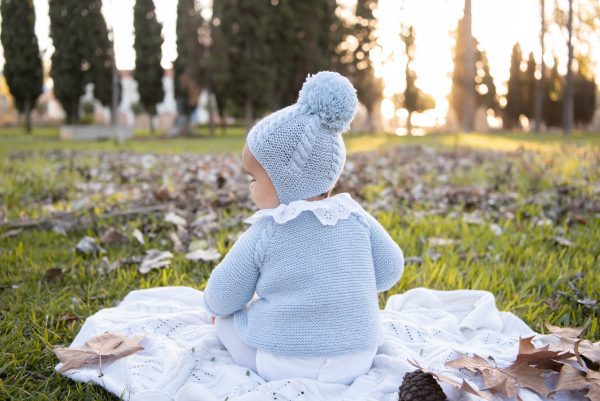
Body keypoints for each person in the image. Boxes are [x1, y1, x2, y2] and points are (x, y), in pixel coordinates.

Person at [203, 71, 405, 385]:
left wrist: (217, 312)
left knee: (224, 320)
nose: (251, 188)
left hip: (281, 362)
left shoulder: (268, 230)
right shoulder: (355, 218)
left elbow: (222, 294)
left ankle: (230, 332)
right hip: (357, 359)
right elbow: (391, 269)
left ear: (285, 182)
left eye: (255, 179)